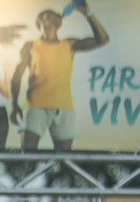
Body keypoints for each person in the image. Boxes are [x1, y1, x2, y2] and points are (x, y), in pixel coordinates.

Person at [12, 0, 108, 151]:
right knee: (28, 149)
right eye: (47, 15)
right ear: (41, 22)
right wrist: (14, 104)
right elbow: (17, 75)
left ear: (60, 23)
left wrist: (87, 12)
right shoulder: (31, 45)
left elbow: (102, 40)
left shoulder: (69, 44)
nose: (54, 15)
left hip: (64, 106)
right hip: (36, 104)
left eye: (55, 14)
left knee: (65, 156)